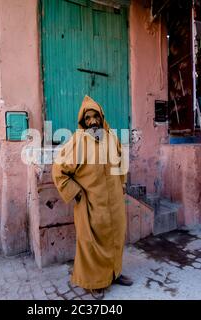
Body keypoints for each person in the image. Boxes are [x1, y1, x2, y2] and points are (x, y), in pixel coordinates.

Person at [52, 95, 133, 300]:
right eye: (87, 118)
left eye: (95, 116)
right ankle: (95, 282)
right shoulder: (77, 141)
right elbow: (59, 171)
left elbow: (121, 161)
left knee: (115, 237)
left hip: (114, 201)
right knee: (91, 243)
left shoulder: (111, 136)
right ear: (82, 121)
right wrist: (76, 192)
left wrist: (122, 185)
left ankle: (114, 273)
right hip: (91, 203)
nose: (92, 122)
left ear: (101, 117)